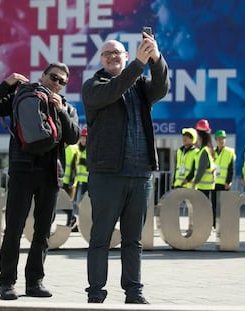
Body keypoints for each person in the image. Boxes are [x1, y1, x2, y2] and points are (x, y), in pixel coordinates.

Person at [81, 34, 170, 304]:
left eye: (117, 53)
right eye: (107, 54)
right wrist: (139, 65)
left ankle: (134, 290)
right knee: (101, 238)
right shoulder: (93, 86)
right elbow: (114, 90)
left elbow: (162, 87)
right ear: (101, 60)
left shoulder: (141, 86)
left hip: (140, 174)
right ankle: (96, 292)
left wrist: (155, 58)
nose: (112, 57)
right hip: (107, 175)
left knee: (134, 240)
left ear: (126, 56)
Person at [0, 62, 80, 300]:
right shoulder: (23, 96)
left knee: (43, 232)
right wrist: (7, 84)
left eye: (62, 82)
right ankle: (6, 283)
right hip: (22, 171)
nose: (57, 83)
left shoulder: (66, 105)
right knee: (13, 229)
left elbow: (74, 137)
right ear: (43, 75)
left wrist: (62, 111)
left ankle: (35, 282)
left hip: (51, 174)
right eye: (54, 77)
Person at [211, 129, 236, 228]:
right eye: (219, 139)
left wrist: (228, 181)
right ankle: (214, 223)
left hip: (224, 183)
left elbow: (231, 168)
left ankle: (223, 223)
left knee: (224, 205)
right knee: (214, 204)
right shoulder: (212, 151)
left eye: (223, 139)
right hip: (213, 182)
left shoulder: (230, 152)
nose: (221, 140)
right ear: (216, 140)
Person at [70, 127, 89, 230]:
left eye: (85, 138)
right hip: (78, 182)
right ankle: (75, 224)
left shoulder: (90, 151)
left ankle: (83, 224)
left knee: (83, 205)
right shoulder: (77, 150)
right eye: (82, 138)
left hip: (88, 183)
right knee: (76, 204)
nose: (83, 140)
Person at [191, 130, 216, 201]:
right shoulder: (206, 150)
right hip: (205, 185)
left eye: (198, 138)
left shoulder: (204, 151)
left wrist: (195, 182)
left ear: (201, 139)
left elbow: (201, 169)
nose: (197, 141)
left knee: (203, 206)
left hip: (204, 185)